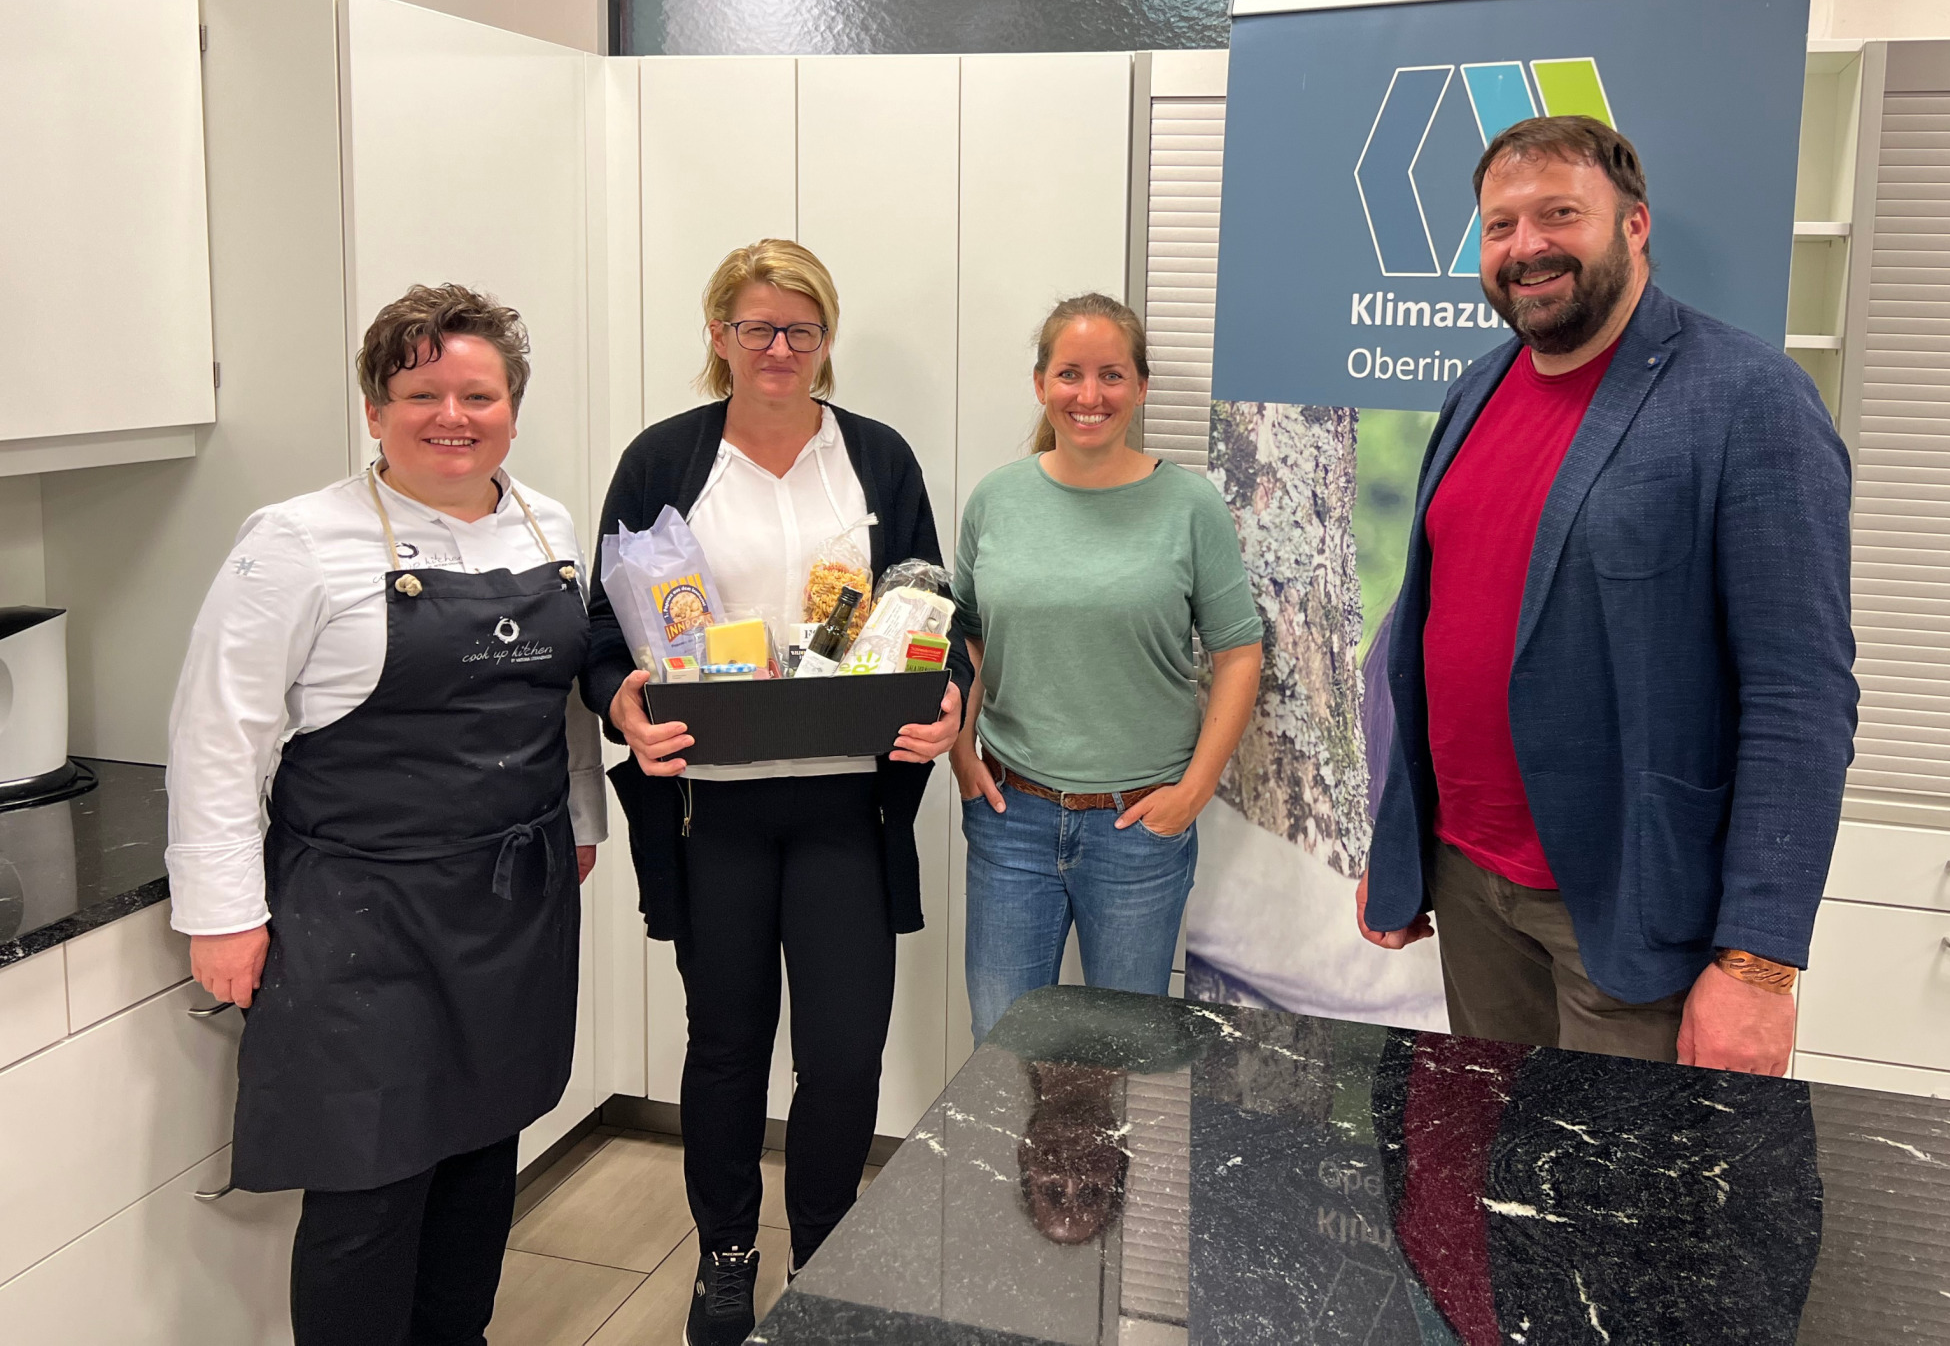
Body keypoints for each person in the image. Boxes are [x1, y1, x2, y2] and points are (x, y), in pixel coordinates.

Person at [1356, 115, 1857, 1076]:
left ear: (1634, 224)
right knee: (1496, 1156)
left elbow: (1801, 697)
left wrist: (1758, 964)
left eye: (1559, 214)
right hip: (1470, 883)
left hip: (1635, 908)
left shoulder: (1751, 399)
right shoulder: (1478, 387)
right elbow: (1428, 637)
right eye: (1500, 225)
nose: (1526, 246)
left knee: (1628, 1175)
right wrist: (1403, 843)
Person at [168, 284, 606, 1346]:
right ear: (375, 409)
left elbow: (560, 703)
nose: (452, 416)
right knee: (368, 1186)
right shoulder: (295, 542)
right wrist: (221, 913)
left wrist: (582, 820)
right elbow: (218, 732)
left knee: (481, 1155)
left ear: (512, 408)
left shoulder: (546, 525)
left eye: (478, 394)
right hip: (364, 915)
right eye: (420, 394)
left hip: (513, 903)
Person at [585, 238, 965, 1346]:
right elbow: (603, 634)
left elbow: (933, 609)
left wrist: (945, 700)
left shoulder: (875, 458)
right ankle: (726, 1255)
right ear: (719, 335)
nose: (780, 349)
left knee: (843, 1055)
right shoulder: (664, 460)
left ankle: (824, 1255)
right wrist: (620, 705)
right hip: (714, 810)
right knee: (726, 1046)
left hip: (849, 805)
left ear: (826, 338)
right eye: (756, 327)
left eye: (801, 329)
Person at [949, 293, 1264, 1045]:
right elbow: (965, 638)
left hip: (1139, 827)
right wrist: (960, 750)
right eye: (1070, 373)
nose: (1089, 395)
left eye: (1112, 375)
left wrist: (1194, 790)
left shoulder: (1189, 505)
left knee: (1126, 1056)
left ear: (1141, 386)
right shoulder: (996, 499)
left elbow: (1238, 652)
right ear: (1040, 384)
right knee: (1001, 1051)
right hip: (1011, 819)